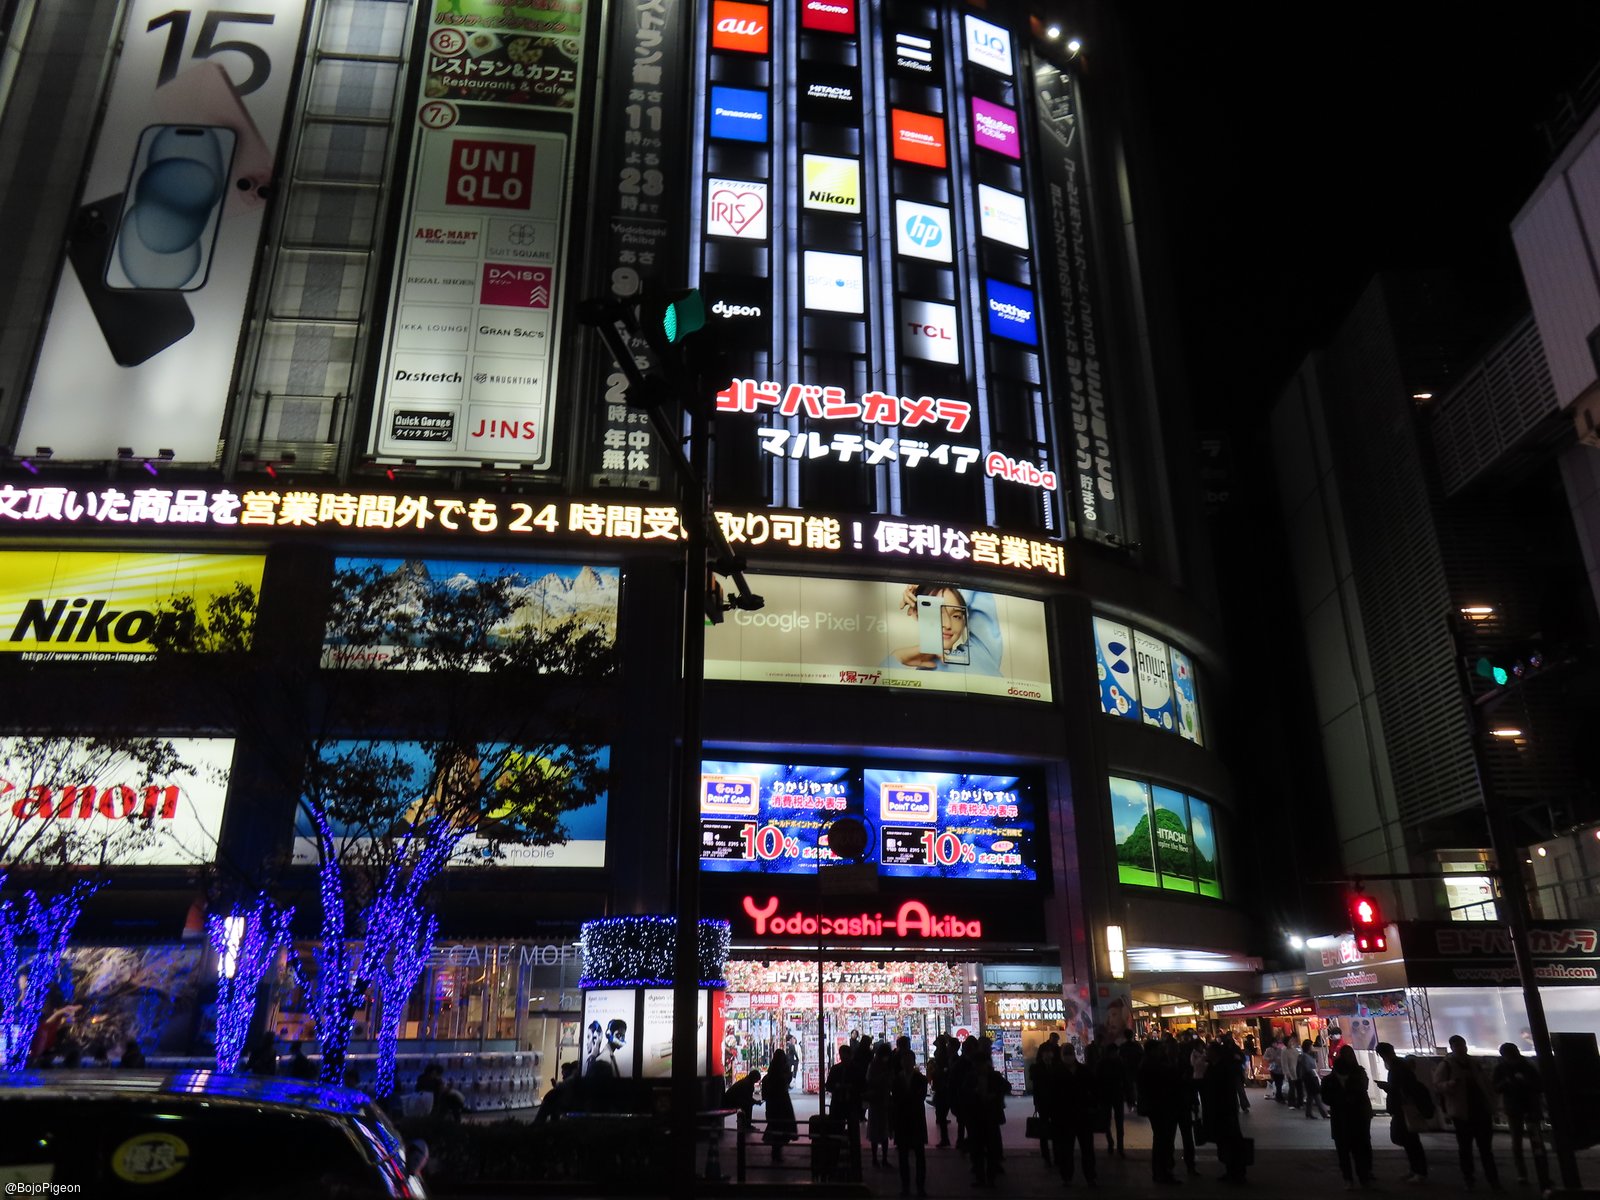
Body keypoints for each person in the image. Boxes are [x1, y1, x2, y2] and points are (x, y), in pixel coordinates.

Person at [884, 584, 1003, 675]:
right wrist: (897, 656)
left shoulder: (982, 653)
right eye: (937, 613)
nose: (947, 625)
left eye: (956, 616)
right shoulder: (917, 679)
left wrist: (938, 582)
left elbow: (978, 585)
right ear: (916, 614)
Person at [1436, 1034, 1500, 1190]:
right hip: (1468, 1111)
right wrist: (1450, 1084)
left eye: (1462, 1045)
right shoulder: (1453, 1064)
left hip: (1469, 1111)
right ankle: (1487, 1180)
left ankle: (1476, 1179)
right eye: (1459, 1045)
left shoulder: (1468, 1063)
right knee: (1477, 1149)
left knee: (1472, 1148)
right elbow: (1438, 1085)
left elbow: (1437, 1084)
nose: (1462, 1048)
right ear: (1453, 1047)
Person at [1492, 1042, 1546, 1187]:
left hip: (1514, 1107)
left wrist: (1506, 1083)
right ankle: (1542, 1173)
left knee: (1517, 1142)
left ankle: (1522, 1174)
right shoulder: (1527, 1066)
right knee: (1536, 1141)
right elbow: (1540, 1086)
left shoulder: (1501, 1068)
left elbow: (1496, 1088)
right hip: (1530, 1107)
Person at [1321, 1044, 1375, 1190]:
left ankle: (1362, 1176)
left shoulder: (1357, 1074)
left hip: (1356, 1118)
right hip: (1343, 1120)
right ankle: (1352, 1178)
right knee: (1347, 1151)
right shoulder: (1330, 1081)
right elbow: (1326, 1098)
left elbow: (1362, 1091)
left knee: (1358, 1150)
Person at [1376, 1042, 1430, 1183]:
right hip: (1404, 1107)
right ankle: (1416, 1169)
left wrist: (1386, 1087)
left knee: (1408, 1140)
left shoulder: (1396, 1067)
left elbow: (1400, 1088)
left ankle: (1419, 1171)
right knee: (1409, 1140)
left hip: (1403, 1107)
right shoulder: (1400, 1065)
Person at [1200, 1042, 1248, 1183]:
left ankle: (1236, 1171)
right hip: (1220, 1109)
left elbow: (1218, 1089)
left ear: (1215, 1053)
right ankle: (1232, 1170)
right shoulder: (1216, 1067)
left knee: (1229, 1140)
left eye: (1208, 1050)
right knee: (1226, 1141)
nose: (1206, 1053)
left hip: (1224, 1110)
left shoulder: (1221, 1068)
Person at [1138, 1039, 1183, 1184]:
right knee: (1163, 1139)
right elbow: (1169, 1078)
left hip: (1156, 1107)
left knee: (1160, 1139)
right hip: (1160, 1107)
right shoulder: (1153, 1065)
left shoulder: (1148, 1063)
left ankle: (1161, 1171)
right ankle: (1163, 1171)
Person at [961, 1039, 1005, 1187]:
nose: (979, 1067)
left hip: (990, 1118)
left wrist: (994, 1094)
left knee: (991, 1149)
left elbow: (1006, 1087)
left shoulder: (994, 1077)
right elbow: (964, 1093)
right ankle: (981, 1177)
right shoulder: (970, 1078)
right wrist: (974, 1093)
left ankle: (990, 1177)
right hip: (975, 1119)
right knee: (977, 1150)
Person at [891, 1046, 929, 1197]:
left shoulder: (921, 1080)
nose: (906, 1063)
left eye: (909, 1060)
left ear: (913, 1062)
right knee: (904, 1158)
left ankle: (920, 1187)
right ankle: (906, 1186)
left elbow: (917, 1099)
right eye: (904, 1060)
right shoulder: (898, 1080)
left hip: (914, 1120)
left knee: (919, 1156)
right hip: (904, 1121)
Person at [1094, 1029, 1128, 1155]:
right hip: (1112, 1095)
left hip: (1108, 1095)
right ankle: (1117, 1145)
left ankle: (1115, 1145)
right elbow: (1125, 1080)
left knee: (1109, 1121)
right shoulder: (1117, 1063)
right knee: (1114, 1122)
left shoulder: (1103, 1063)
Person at [763, 1047, 797, 1161]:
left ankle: (775, 1150)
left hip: (772, 1103)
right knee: (782, 1125)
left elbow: (765, 1092)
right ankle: (777, 1150)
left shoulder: (771, 1072)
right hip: (782, 1102)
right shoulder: (783, 1071)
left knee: (775, 1125)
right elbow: (786, 1081)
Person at [865, 1041, 895, 1167]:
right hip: (881, 1100)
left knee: (877, 1130)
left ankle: (876, 1158)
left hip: (877, 1100)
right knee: (882, 1130)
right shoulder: (882, 1066)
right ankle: (881, 1158)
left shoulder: (874, 1064)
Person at [928, 1034, 954, 1147]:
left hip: (941, 1084)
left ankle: (944, 1137)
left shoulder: (941, 1053)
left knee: (941, 1106)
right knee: (942, 1107)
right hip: (943, 1085)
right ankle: (944, 1135)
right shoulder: (945, 1053)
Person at [721, 1067, 763, 1131]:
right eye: (756, 1080)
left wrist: (755, 1102)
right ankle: (747, 1125)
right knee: (748, 1105)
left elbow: (747, 1097)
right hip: (730, 1101)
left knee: (748, 1104)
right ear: (754, 1078)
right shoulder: (748, 1084)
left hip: (729, 1100)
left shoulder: (745, 1081)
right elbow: (747, 1098)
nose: (756, 1082)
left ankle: (746, 1124)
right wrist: (756, 1102)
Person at [1299, 1039, 1329, 1119]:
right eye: (1311, 1045)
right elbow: (1309, 1068)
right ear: (1308, 1047)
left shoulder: (1307, 1055)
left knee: (1311, 1096)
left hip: (1309, 1077)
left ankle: (1308, 1113)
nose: (1313, 1047)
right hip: (1310, 1078)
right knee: (1316, 1095)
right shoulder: (1305, 1057)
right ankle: (1324, 1113)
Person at [1265, 1037, 1284, 1102]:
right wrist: (1270, 1059)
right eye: (1274, 1043)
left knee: (1280, 1083)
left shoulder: (1280, 1050)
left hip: (1280, 1068)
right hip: (1273, 1068)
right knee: (1277, 1082)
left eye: (1276, 1043)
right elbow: (1265, 1057)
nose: (1275, 1044)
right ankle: (1279, 1096)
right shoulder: (1268, 1050)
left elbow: (1282, 1057)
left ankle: (1278, 1096)